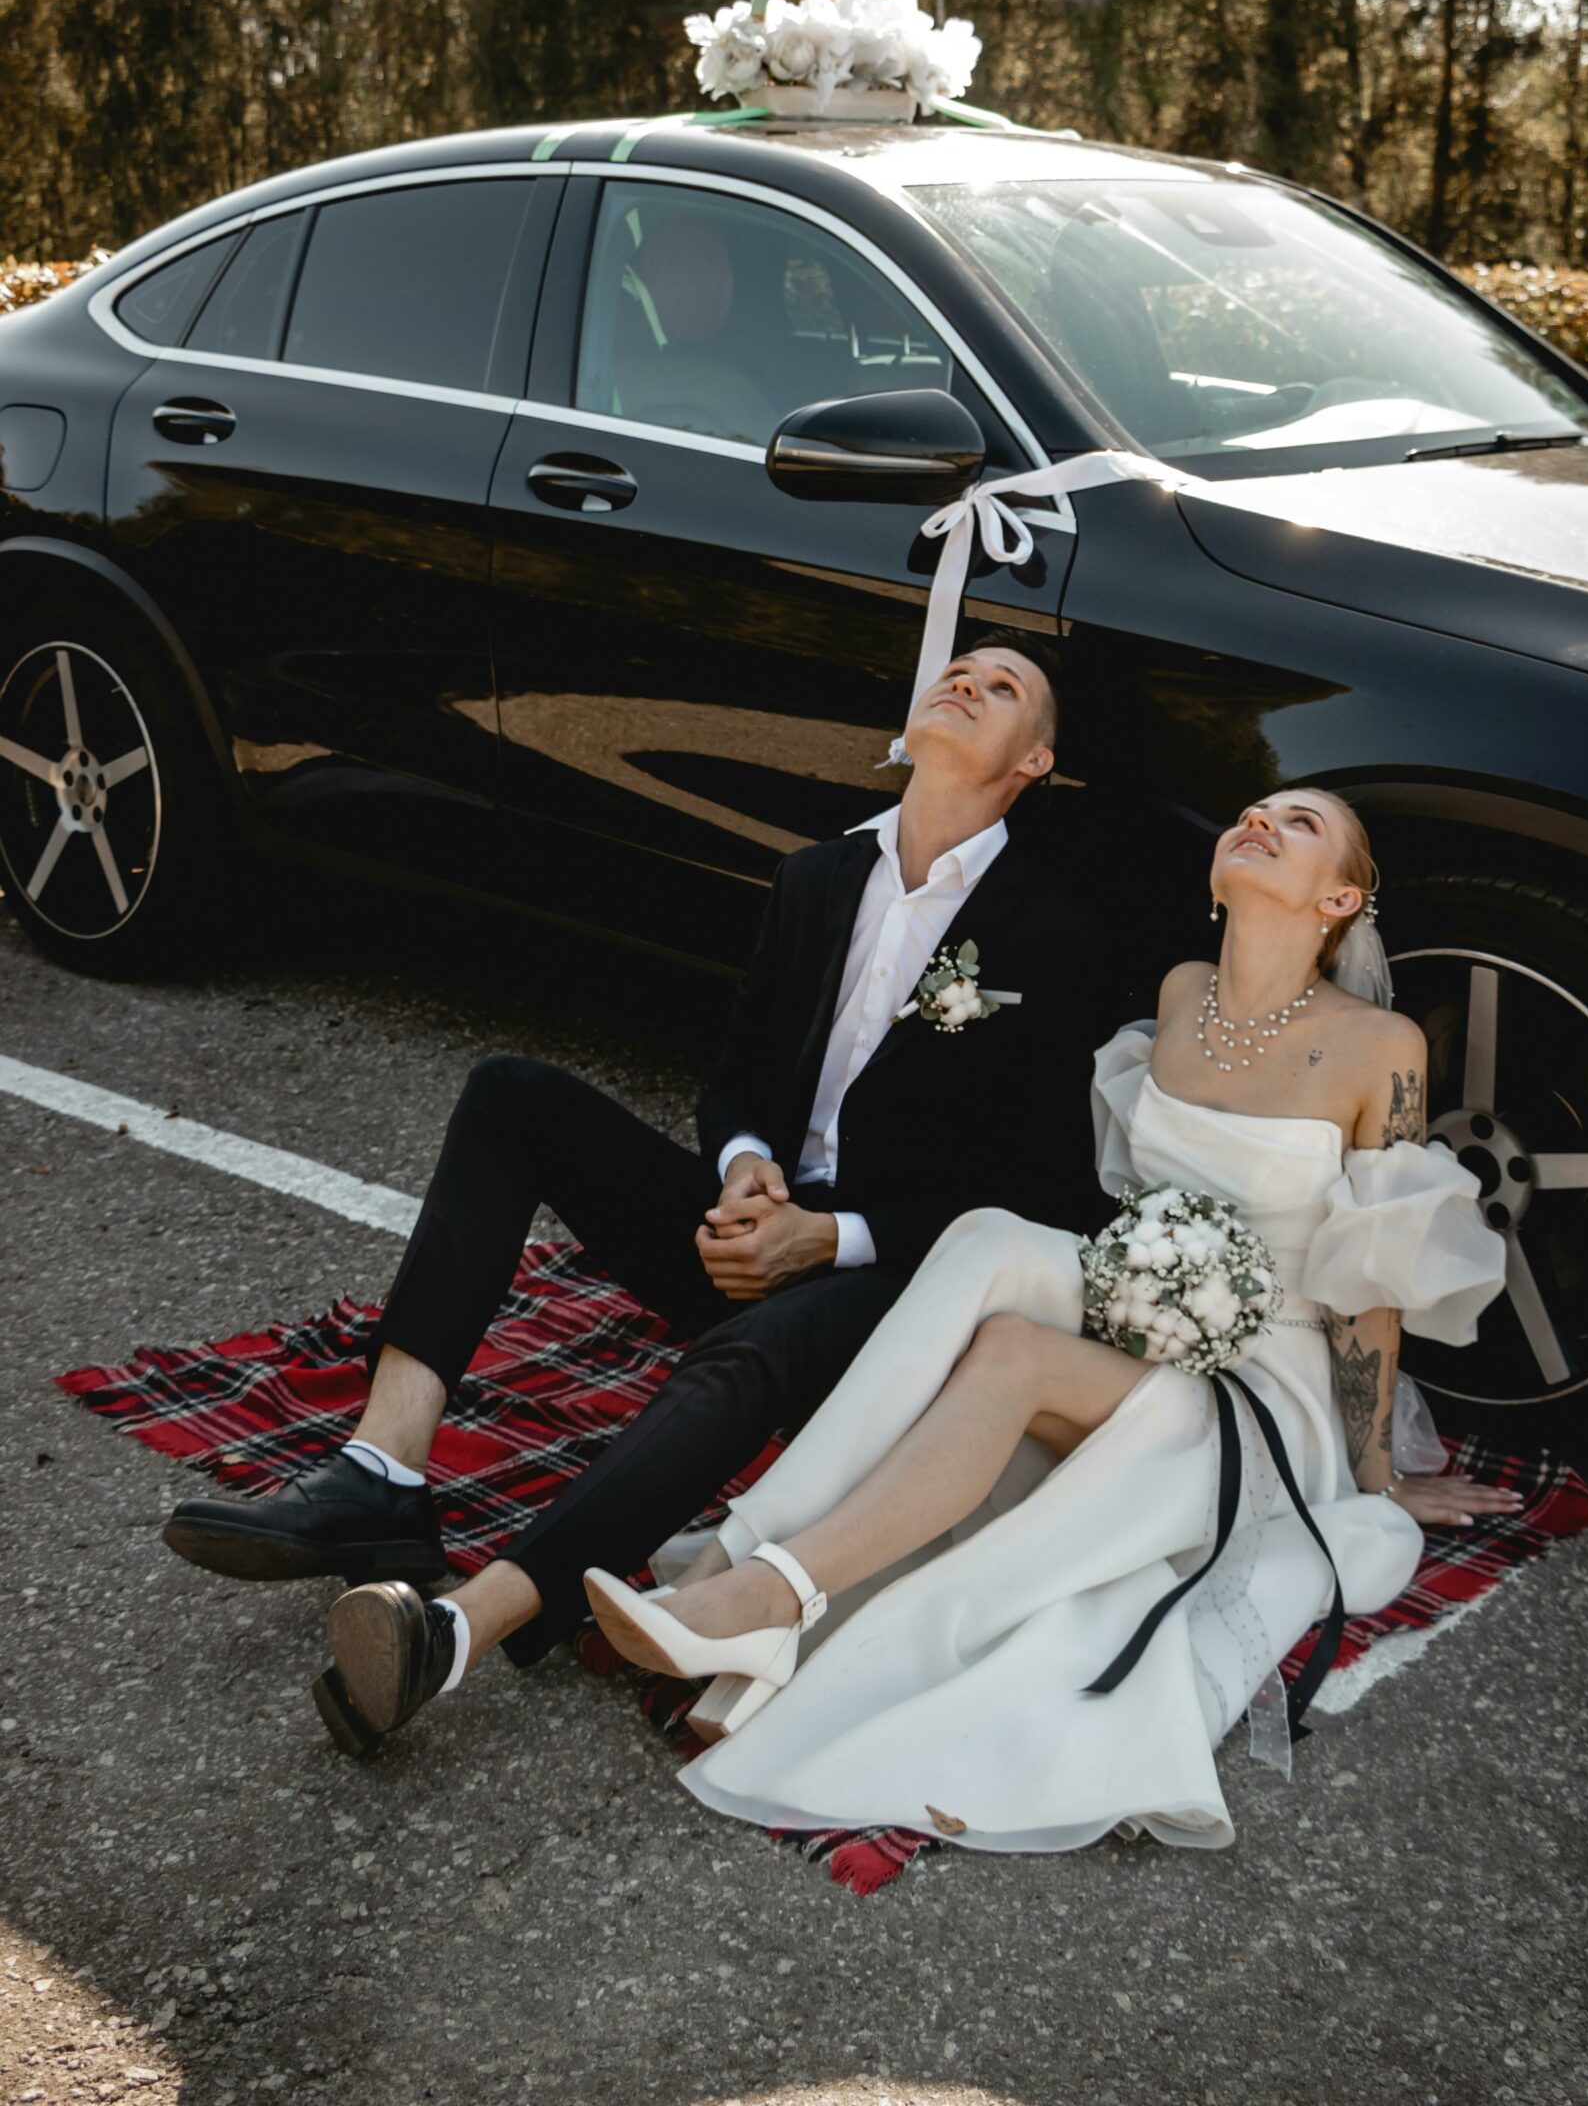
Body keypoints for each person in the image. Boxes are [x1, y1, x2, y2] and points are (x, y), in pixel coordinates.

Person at [162, 634, 1125, 1755]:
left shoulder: (1054, 940)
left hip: (890, 1285)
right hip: (752, 1230)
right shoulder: (815, 877)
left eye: (1002, 686)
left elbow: (1041, 1192)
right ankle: (381, 1473)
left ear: (1035, 761)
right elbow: (736, 1081)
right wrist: (744, 1168)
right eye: (956, 670)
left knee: (748, 1354)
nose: (965, 681)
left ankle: (459, 1629)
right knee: (511, 1094)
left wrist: (830, 1237)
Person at [582, 786, 1519, 1855]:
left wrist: (1376, 1475)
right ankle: (747, 1560)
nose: (1260, 821)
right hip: (1137, 1332)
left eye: (1298, 825)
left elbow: (1371, 1287)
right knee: (988, 1235)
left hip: (1265, 1398)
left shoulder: (1382, 1046)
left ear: (1340, 897)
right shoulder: (1179, 993)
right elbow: (1128, 1206)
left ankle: (767, 1590)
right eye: (1252, 813)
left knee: (1017, 1351)